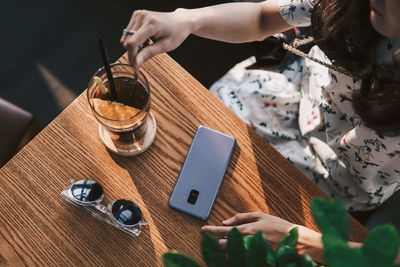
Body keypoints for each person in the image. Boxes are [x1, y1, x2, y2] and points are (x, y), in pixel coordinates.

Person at [121, 0, 400, 262]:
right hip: (281, 98)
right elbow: (263, 18)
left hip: (336, 183)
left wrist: (305, 242)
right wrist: (187, 19)